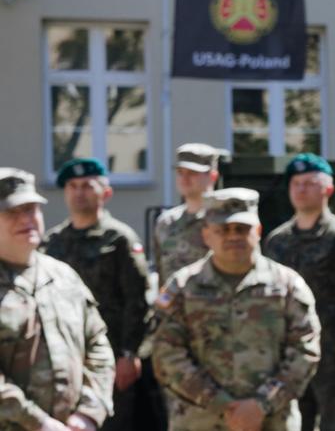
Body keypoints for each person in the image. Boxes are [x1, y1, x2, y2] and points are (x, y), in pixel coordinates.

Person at [148, 187, 320, 431]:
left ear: (258, 231)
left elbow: (305, 350)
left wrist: (261, 405)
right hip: (199, 420)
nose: (233, 236)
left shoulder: (288, 285)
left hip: (271, 421)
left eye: (242, 229)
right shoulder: (182, 287)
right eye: (223, 229)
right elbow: (166, 353)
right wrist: (221, 404)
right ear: (206, 235)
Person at [263, 154, 335, 431]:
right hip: (287, 362)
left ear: (328, 189)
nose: (301, 189)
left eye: (309, 183)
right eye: (296, 183)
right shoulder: (276, 242)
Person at [0, 168, 113, 431]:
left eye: (31, 209)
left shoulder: (63, 276)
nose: (25, 219)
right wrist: (38, 423)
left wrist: (88, 413)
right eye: (11, 212)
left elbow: (97, 343)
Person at [44, 159, 151, 431]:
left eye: (87, 186)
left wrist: (129, 353)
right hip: (63, 357)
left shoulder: (119, 239)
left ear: (105, 192)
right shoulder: (51, 242)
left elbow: (136, 301)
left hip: (110, 357)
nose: (79, 192)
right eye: (72, 186)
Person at [153, 143, 225, 285]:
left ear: (212, 176)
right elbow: (161, 273)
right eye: (180, 172)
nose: (184, 179)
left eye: (192, 173)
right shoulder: (166, 222)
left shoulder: (224, 221)